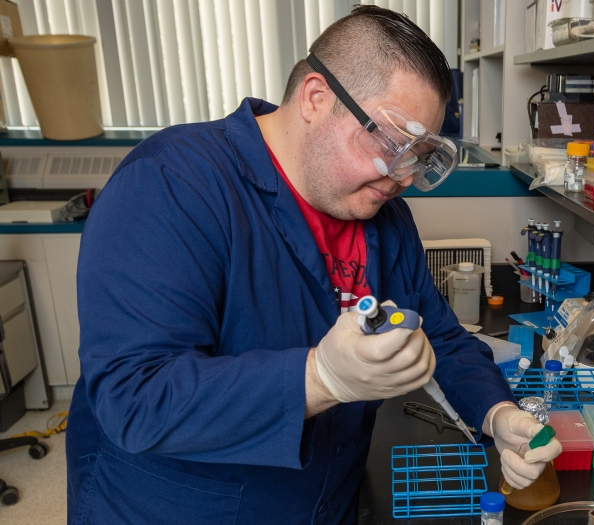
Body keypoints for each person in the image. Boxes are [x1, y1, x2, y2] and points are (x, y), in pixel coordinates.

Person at [66, 6, 560, 524]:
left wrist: (496, 413)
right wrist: (320, 378)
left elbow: (441, 336)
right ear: (316, 99)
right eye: (393, 142)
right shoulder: (171, 184)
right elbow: (135, 397)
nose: (403, 174)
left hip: (325, 499)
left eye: (418, 154)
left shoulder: (385, 218)